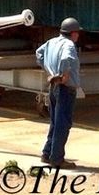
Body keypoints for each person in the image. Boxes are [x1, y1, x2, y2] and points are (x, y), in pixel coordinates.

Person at [35, 17, 83, 169]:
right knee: (63, 124)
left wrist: (49, 70)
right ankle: (57, 159)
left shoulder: (52, 42)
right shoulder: (69, 44)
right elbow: (66, 58)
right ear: (73, 33)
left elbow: (39, 53)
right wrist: (64, 75)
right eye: (77, 33)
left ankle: (47, 153)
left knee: (55, 122)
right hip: (65, 88)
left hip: (53, 86)